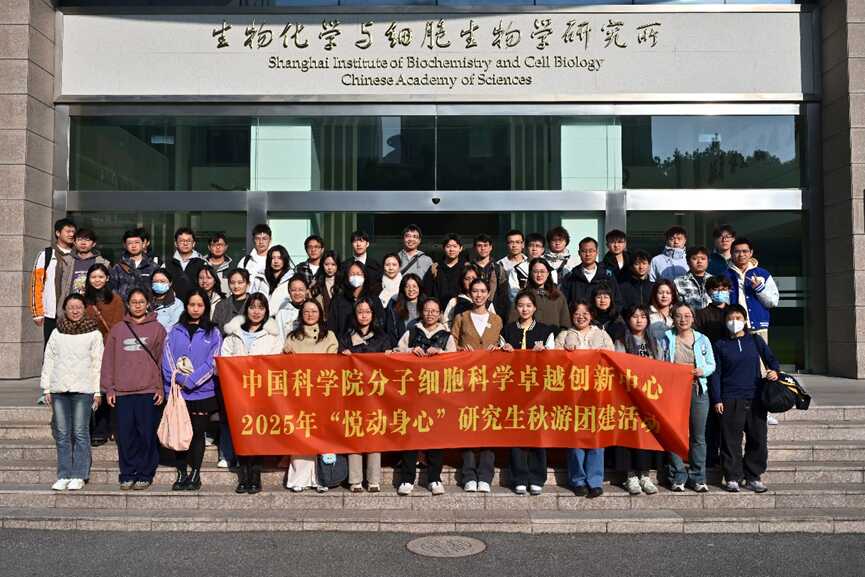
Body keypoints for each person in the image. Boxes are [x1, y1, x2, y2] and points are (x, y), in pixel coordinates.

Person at [710, 304, 781, 494]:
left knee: (758, 439)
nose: (734, 322)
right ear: (724, 322)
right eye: (730, 319)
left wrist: (774, 371)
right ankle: (732, 477)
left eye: (738, 318)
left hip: (756, 397)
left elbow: (772, 360)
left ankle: (753, 477)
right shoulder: (720, 344)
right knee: (730, 440)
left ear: (745, 320)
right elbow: (716, 374)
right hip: (730, 397)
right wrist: (717, 399)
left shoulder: (755, 340)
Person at [101, 289, 166, 490]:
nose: (137, 305)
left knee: (146, 435)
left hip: (148, 391)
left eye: (141, 302)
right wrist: (109, 389)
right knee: (126, 436)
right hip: (123, 391)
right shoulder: (118, 329)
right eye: (134, 302)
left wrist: (160, 388)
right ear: (128, 305)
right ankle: (127, 473)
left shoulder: (157, 329)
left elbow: (163, 361)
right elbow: (108, 361)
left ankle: (145, 473)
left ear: (147, 304)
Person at [220, 294, 283, 494]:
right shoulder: (234, 334)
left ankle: (255, 475)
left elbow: (275, 363)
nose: (256, 311)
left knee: (258, 435)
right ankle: (243, 475)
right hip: (237, 392)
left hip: (261, 392)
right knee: (242, 433)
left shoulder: (273, 336)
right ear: (246, 309)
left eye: (261, 308)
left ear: (266, 311)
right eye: (252, 307)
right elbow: (224, 359)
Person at [394, 297, 456, 496]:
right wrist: (410, 351)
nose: (430, 314)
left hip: (437, 394)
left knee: (435, 436)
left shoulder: (447, 336)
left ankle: (434, 478)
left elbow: (456, 362)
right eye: (427, 310)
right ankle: (407, 479)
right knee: (411, 435)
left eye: (434, 311)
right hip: (413, 392)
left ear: (440, 314)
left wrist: (441, 354)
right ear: (421, 312)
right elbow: (396, 353)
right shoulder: (412, 332)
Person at [41, 294, 103, 491]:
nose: (75, 311)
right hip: (59, 389)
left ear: (84, 309)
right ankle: (64, 474)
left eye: (78, 307)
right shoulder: (57, 332)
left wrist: (97, 391)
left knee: (80, 432)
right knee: (62, 433)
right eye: (71, 307)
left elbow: (98, 363)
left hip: (84, 389)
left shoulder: (94, 333)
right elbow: (49, 359)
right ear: (65, 310)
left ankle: (79, 474)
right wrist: (46, 387)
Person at [162, 288, 222, 492]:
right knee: (179, 432)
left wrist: (192, 380)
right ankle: (181, 472)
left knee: (197, 433)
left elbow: (213, 361)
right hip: (179, 393)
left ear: (205, 307)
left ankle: (195, 474)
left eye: (200, 305)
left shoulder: (213, 332)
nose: (195, 309)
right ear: (186, 306)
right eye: (191, 304)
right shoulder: (175, 330)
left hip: (203, 392)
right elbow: (167, 359)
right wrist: (179, 379)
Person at [555, 299, 614, 498]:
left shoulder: (602, 334)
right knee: (575, 438)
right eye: (577, 314)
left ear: (592, 316)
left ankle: (595, 480)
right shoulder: (564, 335)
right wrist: (566, 354)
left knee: (597, 437)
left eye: (585, 313)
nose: (581, 317)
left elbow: (613, 359)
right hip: (572, 394)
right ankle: (578, 480)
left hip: (597, 392)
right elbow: (553, 362)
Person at [500, 290, 556, 496]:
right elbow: (498, 362)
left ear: (535, 308)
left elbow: (554, 361)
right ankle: (519, 478)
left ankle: (537, 477)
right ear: (516, 308)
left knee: (537, 433)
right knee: (517, 433)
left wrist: (544, 353)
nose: (524, 309)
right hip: (514, 389)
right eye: (521, 305)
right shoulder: (507, 330)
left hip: (538, 389)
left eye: (528, 306)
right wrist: (503, 351)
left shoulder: (545, 331)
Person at [450, 278, 502, 494]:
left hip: (490, 381)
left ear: (488, 294)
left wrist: (499, 349)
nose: (479, 295)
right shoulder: (461, 317)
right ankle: (469, 475)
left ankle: (485, 475)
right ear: (470, 294)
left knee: (489, 427)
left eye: (482, 291)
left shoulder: (497, 319)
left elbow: (502, 345)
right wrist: (460, 351)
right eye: (475, 291)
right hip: (466, 380)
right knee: (468, 426)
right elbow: (451, 344)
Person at [659, 303, 716, 493]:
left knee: (698, 436)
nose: (683, 319)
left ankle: (698, 477)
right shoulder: (666, 337)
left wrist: (702, 370)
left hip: (697, 389)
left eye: (687, 316)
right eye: (678, 316)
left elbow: (711, 364)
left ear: (693, 318)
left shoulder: (702, 339)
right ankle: (677, 475)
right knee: (675, 433)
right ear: (673, 318)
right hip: (674, 391)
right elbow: (659, 362)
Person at [283, 299, 339, 492]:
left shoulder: (329, 336)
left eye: (314, 311)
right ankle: (299, 479)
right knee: (301, 434)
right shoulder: (292, 337)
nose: (310, 314)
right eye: (306, 311)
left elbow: (332, 362)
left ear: (320, 314)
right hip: (300, 392)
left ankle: (321, 478)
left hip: (322, 391)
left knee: (321, 435)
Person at [338, 298, 390, 493]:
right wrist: (342, 356)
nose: (364, 315)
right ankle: (355, 480)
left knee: (374, 435)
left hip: (376, 395)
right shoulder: (346, 337)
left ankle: (374, 479)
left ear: (373, 314)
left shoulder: (382, 337)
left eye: (367, 312)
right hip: (353, 394)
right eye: (360, 311)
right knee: (356, 433)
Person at [611, 304, 663, 495]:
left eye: (643, 316)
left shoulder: (654, 342)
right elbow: (618, 366)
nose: (639, 320)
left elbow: (661, 366)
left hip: (648, 396)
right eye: (635, 316)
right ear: (628, 320)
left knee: (646, 435)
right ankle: (630, 476)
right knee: (627, 435)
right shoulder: (620, 342)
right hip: (627, 396)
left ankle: (644, 475)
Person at [31, 218, 76, 349]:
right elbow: (36, 284)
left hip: (74, 312)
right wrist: (37, 312)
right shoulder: (46, 254)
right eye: (68, 231)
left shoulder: (77, 256)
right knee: (51, 350)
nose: (71, 234)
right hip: (51, 313)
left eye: (73, 232)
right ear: (58, 233)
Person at [724, 238, 779, 344]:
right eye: (737, 251)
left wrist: (759, 289)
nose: (741, 255)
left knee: (760, 355)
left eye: (745, 251)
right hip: (733, 327)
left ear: (751, 253)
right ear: (731, 253)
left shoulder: (762, 274)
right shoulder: (724, 276)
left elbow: (773, 302)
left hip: (758, 327)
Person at [509, 258, 569, 331]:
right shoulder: (522, 295)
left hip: (554, 336)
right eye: (535, 272)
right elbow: (512, 323)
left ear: (548, 273)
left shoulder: (558, 296)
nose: (539, 275)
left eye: (542, 271)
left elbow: (565, 324)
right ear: (531, 273)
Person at [328, 261, 385, 338]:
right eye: (352, 274)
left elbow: (381, 323)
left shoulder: (373, 299)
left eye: (359, 274)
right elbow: (332, 325)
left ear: (364, 276)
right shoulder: (338, 300)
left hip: (370, 342)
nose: (356, 277)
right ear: (347, 277)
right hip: (343, 342)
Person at [560, 236, 621, 306]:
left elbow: (617, 301)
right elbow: (564, 304)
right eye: (584, 251)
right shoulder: (571, 277)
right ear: (579, 253)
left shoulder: (607, 276)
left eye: (591, 251)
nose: (588, 254)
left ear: (597, 252)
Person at [59, 228, 110, 307]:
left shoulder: (104, 263)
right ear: (74, 242)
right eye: (79, 239)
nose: (83, 243)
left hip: (94, 307)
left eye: (87, 240)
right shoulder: (65, 261)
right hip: (71, 307)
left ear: (94, 244)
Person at [110, 229, 160, 301]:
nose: (133, 246)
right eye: (130, 243)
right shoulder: (118, 267)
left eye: (137, 242)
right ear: (125, 245)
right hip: (123, 306)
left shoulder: (153, 267)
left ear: (143, 244)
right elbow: (113, 289)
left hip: (146, 306)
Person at [83, 264, 125, 341]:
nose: (97, 280)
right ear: (88, 278)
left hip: (108, 342)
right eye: (93, 277)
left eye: (101, 277)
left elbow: (118, 326)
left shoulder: (116, 299)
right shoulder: (83, 300)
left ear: (107, 278)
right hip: (88, 342)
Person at [163, 227, 206, 301]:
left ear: (194, 243)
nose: (185, 243)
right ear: (176, 244)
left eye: (188, 241)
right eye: (182, 241)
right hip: (172, 305)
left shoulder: (203, 263)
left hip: (195, 304)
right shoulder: (167, 264)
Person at [423, 233, 466, 307]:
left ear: (460, 248)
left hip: (460, 309)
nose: (451, 249)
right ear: (443, 248)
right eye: (448, 246)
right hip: (438, 310)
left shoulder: (465, 268)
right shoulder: (435, 268)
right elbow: (427, 291)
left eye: (455, 246)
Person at [443, 265, 490, 329]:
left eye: (474, 278)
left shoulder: (486, 301)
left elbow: (492, 322)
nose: (471, 281)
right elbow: (446, 322)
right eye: (467, 279)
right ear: (462, 281)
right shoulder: (454, 301)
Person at [495, 229, 528, 315]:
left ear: (523, 244)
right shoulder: (499, 265)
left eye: (518, 242)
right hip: (506, 308)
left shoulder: (530, 263)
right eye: (511, 242)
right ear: (507, 244)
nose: (514, 245)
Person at [252, 245, 293, 313]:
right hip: (260, 316)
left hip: (282, 317)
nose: (276, 261)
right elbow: (252, 299)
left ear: (284, 260)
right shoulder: (260, 277)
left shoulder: (292, 279)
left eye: (279, 258)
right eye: (273, 258)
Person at [385, 273, 423, 343]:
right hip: (401, 346)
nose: (411, 289)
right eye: (407, 287)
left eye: (414, 286)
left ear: (419, 288)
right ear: (403, 289)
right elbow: (391, 331)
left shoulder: (426, 305)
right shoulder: (394, 306)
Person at [695, 276, 733, 344]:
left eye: (724, 289)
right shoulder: (701, 314)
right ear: (708, 292)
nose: (720, 292)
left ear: (729, 291)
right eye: (715, 289)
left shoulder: (734, 311)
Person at [674, 246, 713, 310]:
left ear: (708, 261)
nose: (699, 261)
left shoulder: (714, 280)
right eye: (694, 258)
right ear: (688, 262)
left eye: (703, 259)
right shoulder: (678, 282)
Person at [213, 268, 251, 333]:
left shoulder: (254, 303)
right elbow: (215, 331)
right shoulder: (221, 306)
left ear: (248, 284)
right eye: (232, 283)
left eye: (240, 282)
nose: (236, 286)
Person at [274, 274, 310, 341]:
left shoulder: (311, 310)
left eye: (301, 290)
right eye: (293, 290)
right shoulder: (282, 312)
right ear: (289, 291)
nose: (297, 293)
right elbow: (279, 338)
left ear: (307, 291)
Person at [312, 250, 340, 317]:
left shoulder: (343, 283)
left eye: (333, 264)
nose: (329, 268)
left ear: (338, 265)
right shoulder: (316, 284)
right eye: (326, 264)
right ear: (322, 265)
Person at [470, 234, 498, 300]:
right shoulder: (469, 268)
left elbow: (503, 294)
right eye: (479, 245)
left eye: (485, 245)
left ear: (490, 247)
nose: (483, 248)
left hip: (493, 305)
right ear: (475, 248)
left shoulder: (498, 268)